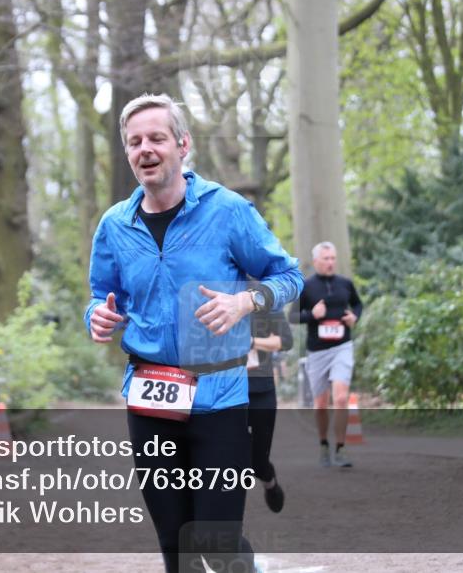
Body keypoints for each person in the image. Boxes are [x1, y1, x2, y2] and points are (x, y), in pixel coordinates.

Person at [85, 94, 303, 573]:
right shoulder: (115, 226)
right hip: (150, 398)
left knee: (217, 543)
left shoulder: (226, 211)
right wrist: (97, 316)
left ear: (182, 145)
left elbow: (289, 276)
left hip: (219, 396)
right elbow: (101, 295)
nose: (146, 148)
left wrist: (245, 300)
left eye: (157, 138)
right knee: (175, 545)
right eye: (135, 141)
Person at [294, 241, 363, 468]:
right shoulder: (307, 286)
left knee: (341, 398)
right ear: (316, 262)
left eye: (333, 258)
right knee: (321, 403)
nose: (331, 262)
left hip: (342, 347)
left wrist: (354, 317)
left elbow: (358, 305)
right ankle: (324, 444)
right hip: (317, 351)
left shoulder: (345, 284)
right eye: (326, 258)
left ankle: (340, 449)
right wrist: (312, 314)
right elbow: (292, 316)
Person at [246, 279, 294, 513]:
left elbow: (285, 340)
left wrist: (252, 343)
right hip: (223, 390)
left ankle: (269, 481)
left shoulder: (264, 293)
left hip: (260, 388)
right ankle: (229, 521)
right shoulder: (211, 290)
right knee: (228, 458)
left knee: (257, 460)